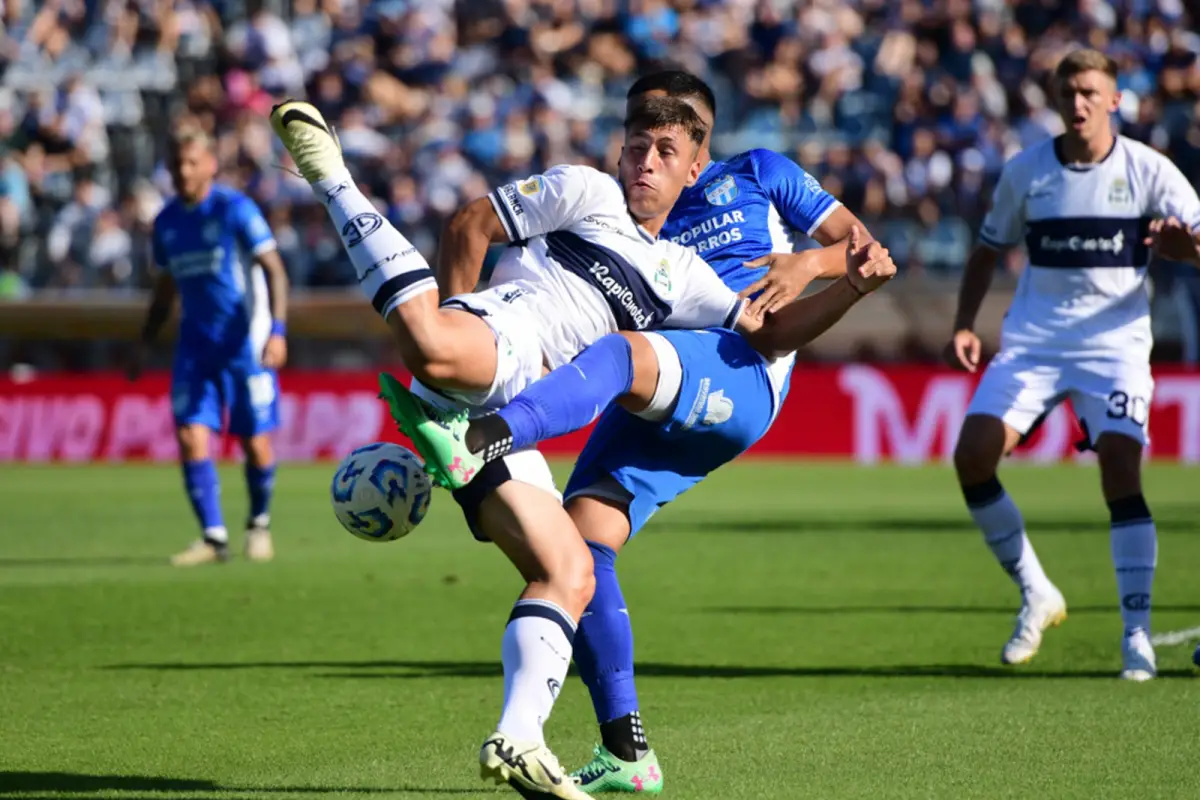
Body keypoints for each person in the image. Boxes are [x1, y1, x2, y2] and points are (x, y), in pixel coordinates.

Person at [387, 69, 889, 794]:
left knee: (622, 355)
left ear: (698, 142)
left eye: (669, 137)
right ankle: (627, 751)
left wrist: (815, 262)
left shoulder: (759, 173)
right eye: (636, 139)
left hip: (737, 368)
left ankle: (484, 436)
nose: (646, 158)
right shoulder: (629, 217)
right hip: (654, 388)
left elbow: (860, 248)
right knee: (581, 548)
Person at [944, 49, 1200, 682]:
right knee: (972, 455)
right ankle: (1037, 591)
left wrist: (1187, 254)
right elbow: (986, 250)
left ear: (1115, 100)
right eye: (1067, 93)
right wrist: (965, 322)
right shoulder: (1026, 170)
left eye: (1089, 92)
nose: (1077, 102)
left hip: (1114, 346)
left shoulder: (1149, 171)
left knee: (1120, 465)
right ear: (1055, 101)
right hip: (1034, 343)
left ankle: (1136, 633)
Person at [130, 124, 289, 567]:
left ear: (210, 165)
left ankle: (258, 524)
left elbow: (275, 269)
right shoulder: (165, 223)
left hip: (245, 344)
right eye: (176, 163)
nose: (183, 171)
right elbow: (164, 290)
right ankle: (213, 537)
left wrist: (277, 331)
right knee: (189, 434)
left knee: (255, 442)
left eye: (192, 162)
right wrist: (143, 344)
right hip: (194, 347)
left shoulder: (234, 210)